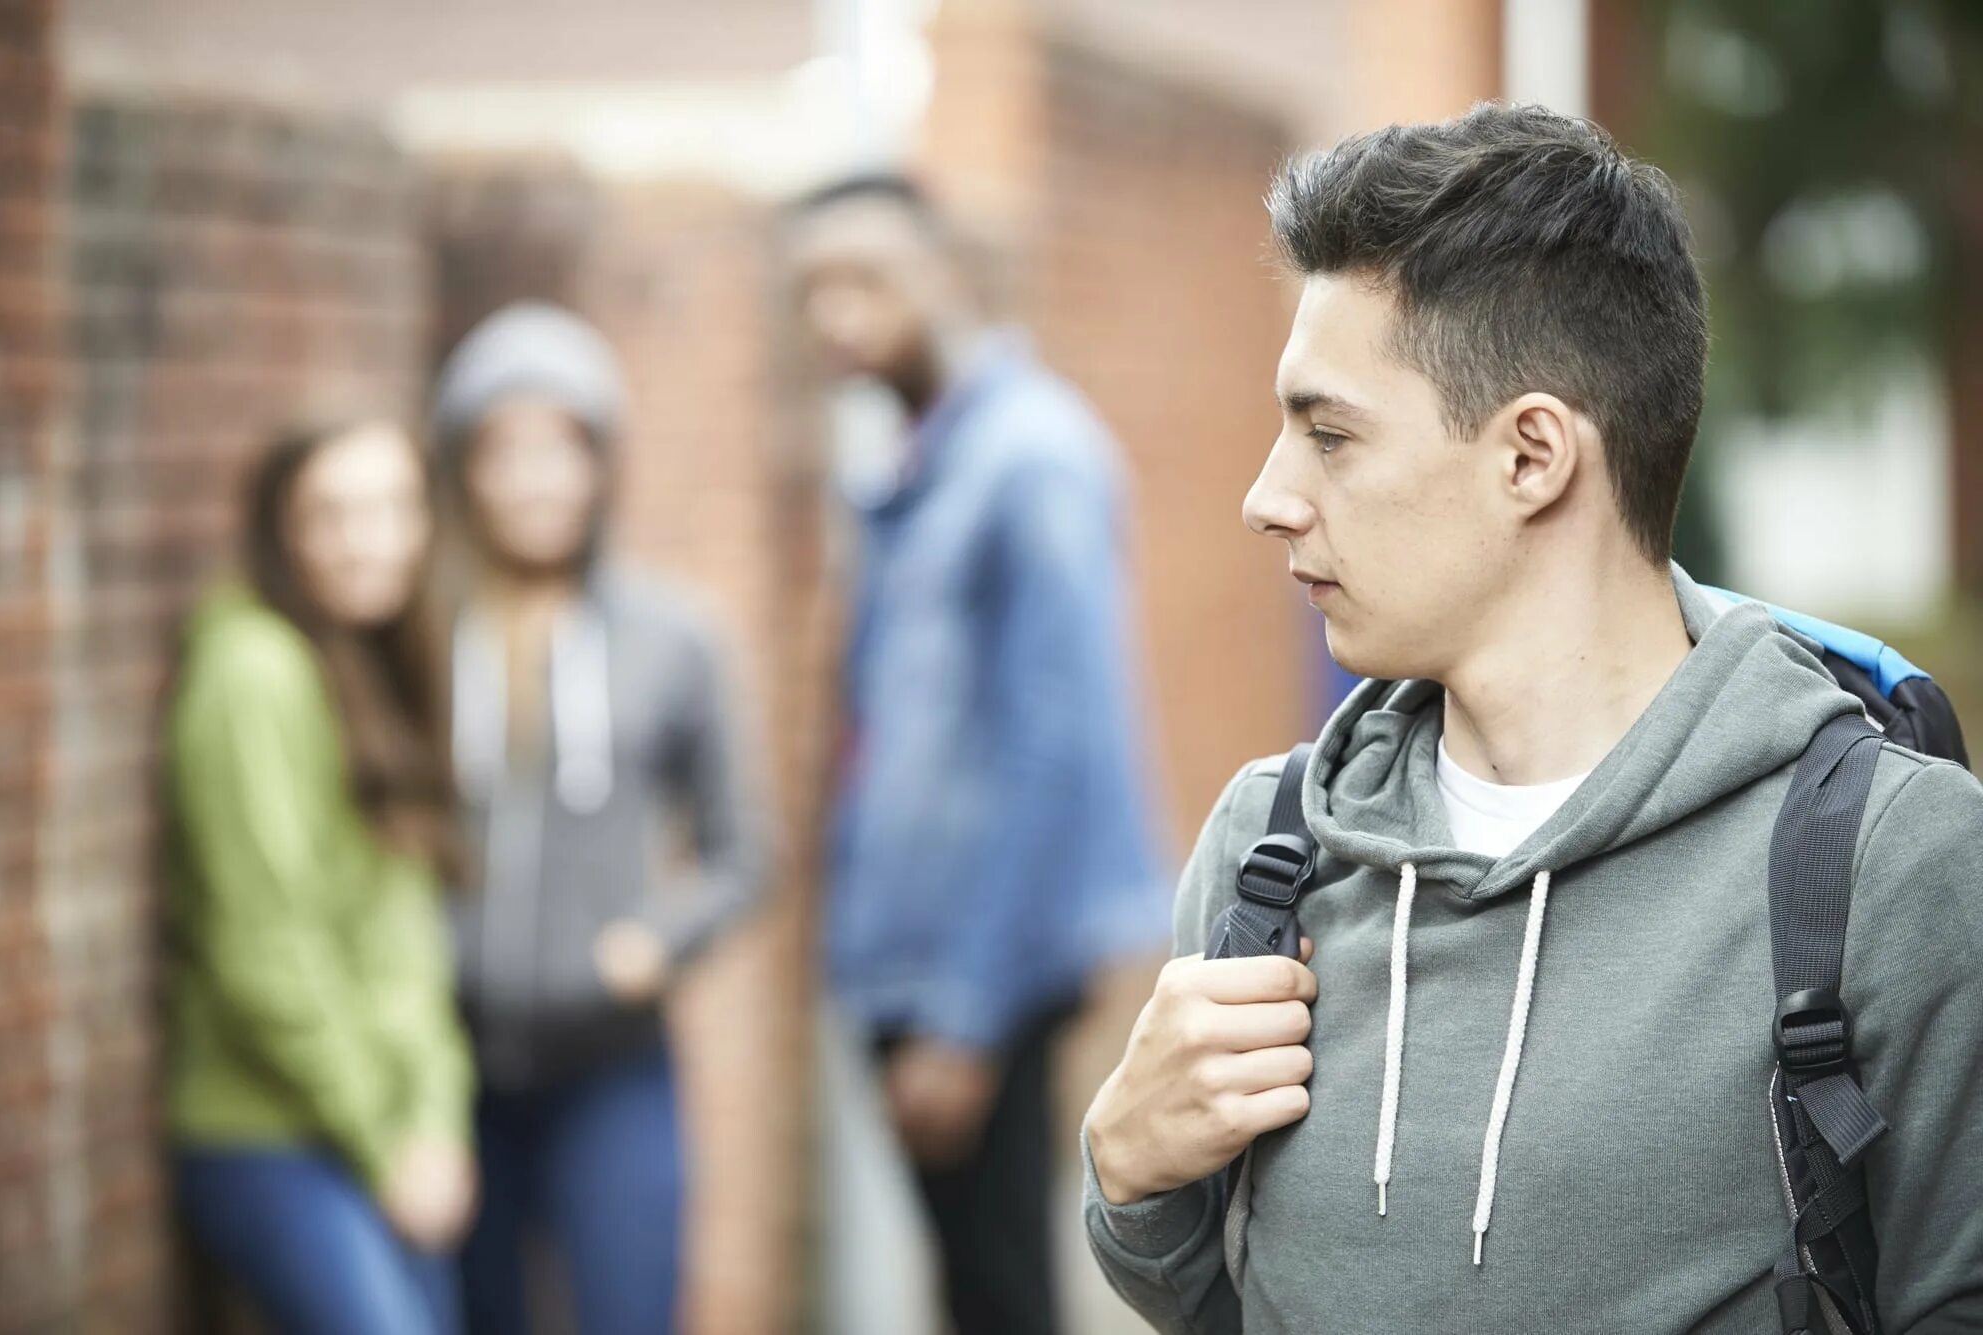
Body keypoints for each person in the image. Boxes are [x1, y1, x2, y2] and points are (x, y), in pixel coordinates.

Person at [1083, 103, 1983, 1333]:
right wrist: (1131, 1181)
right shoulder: (1270, 850)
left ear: (1530, 457)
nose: (1265, 497)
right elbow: (1215, 1305)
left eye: (1328, 435)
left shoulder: (1894, 866)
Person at [786, 174, 1170, 1335]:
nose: (834, 315)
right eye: (813, 291)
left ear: (943, 274)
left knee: (999, 1295)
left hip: (976, 973)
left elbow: (1057, 750)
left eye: (865, 279)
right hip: (910, 958)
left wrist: (964, 1013)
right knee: (967, 1290)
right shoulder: (914, 461)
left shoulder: (1026, 458)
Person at [430, 302, 768, 1335]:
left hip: (612, 1068)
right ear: (464, 470)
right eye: (504, 450)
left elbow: (743, 850)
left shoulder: (674, 638)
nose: (535, 478)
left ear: (598, 465)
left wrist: (653, 942)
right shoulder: (424, 633)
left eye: (560, 448)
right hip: (446, 1070)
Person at [165, 416, 474, 1335]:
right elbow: (265, 949)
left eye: (390, 508)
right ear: (282, 531)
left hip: (385, 1133)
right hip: (271, 1129)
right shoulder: (254, 671)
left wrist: (438, 1123)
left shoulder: (372, 662)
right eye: (330, 513)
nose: (365, 541)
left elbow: (408, 945)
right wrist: (390, 1144)